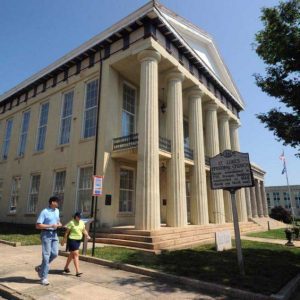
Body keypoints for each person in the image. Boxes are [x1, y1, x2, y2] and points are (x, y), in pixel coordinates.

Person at [35, 196, 62, 285]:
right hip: (46, 234)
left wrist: (59, 224)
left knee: (54, 254)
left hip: (54, 234)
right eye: (57, 202)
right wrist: (50, 226)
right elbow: (38, 226)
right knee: (46, 256)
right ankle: (44, 277)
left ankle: (40, 267)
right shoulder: (45, 212)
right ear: (52, 202)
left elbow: (57, 220)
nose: (58, 203)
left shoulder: (57, 211)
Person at [61, 212, 91, 276]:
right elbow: (67, 232)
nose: (80, 218)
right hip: (72, 240)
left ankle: (66, 267)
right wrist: (64, 240)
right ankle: (77, 271)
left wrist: (87, 235)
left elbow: (83, 230)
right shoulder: (71, 222)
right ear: (76, 216)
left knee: (72, 254)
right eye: (79, 217)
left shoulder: (82, 222)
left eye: (80, 217)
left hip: (78, 240)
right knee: (76, 254)